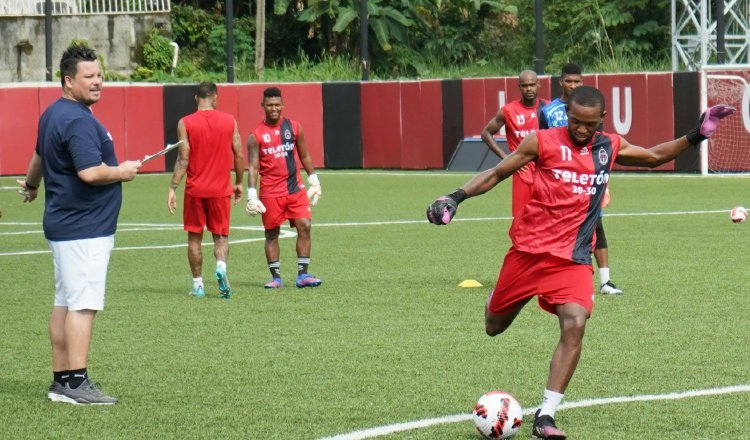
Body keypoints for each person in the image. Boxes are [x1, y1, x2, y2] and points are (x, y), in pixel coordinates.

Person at [426, 86, 734, 439]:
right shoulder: (541, 142)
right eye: (576, 122)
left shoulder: (609, 145)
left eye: (590, 124)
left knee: (575, 322)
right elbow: (497, 174)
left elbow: (652, 156)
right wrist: (454, 197)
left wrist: (697, 134)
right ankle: (501, 297)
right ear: (567, 115)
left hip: (572, 258)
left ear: (601, 120)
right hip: (527, 252)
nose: (582, 130)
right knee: (493, 326)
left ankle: (546, 416)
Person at [17, 43, 142, 405]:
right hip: (84, 229)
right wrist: (123, 171)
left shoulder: (53, 113)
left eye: (100, 75)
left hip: (66, 226)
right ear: (68, 81)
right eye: (89, 77)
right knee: (83, 305)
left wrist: (30, 185)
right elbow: (90, 172)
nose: (98, 82)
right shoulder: (77, 119)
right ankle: (76, 384)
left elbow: (39, 155)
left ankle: (62, 381)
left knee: (65, 302)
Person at [538, 63, 622, 295]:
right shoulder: (548, 111)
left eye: (577, 81)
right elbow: (541, 144)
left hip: (587, 179)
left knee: (596, 224)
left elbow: (601, 147)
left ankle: (605, 281)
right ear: (561, 82)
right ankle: (554, 279)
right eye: (569, 81)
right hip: (558, 182)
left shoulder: (591, 107)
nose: (573, 85)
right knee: (552, 228)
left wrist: (604, 183)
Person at [167, 82, 244, 299]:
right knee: (220, 237)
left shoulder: (185, 122)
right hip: (220, 190)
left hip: (195, 190)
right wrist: (238, 182)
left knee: (194, 239)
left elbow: (184, 158)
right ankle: (221, 266)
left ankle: (198, 285)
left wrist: (173, 187)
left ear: (196, 98)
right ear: (215, 97)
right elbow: (239, 154)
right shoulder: (230, 121)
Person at [245, 87, 322, 289]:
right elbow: (252, 167)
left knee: (305, 226)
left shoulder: (294, 127)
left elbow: (304, 155)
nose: (274, 109)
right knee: (271, 233)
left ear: (283, 105)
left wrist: (314, 179)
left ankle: (303, 276)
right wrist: (251, 195)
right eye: (270, 105)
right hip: (270, 192)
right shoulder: (256, 135)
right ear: (263, 106)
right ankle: (276, 278)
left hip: (295, 188)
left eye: (277, 105)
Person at [481, 69, 546, 219]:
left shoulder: (548, 109)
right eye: (525, 85)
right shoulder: (508, 111)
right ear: (519, 86)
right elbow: (486, 134)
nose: (529, 89)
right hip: (521, 172)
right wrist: (506, 158)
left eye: (532, 84)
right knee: (521, 219)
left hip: (544, 172)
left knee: (547, 219)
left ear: (538, 85)